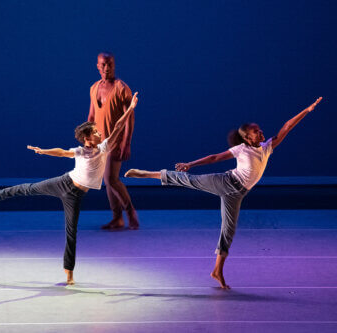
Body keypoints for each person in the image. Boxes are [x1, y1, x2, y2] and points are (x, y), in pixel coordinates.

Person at [125, 97, 323, 289]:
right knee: (191, 180)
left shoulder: (266, 147)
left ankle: (217, 271)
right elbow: (214, 157)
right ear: (247, 138)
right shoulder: (241, 149)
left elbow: (286, 126)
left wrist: (307, 110)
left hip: (237, 194)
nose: (260, 132)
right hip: (226, 182)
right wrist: (190, 164)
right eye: (255, 131)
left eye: (259, 129)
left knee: (228, 230)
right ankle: (148, 174)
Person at [0, 93, 139, 285]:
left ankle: (69, 274)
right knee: (27, 189)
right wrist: (43, 151)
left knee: (71, 233)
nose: (100, 134)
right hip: (64, 183)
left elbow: (118, 127)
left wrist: (130, 109)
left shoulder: (103, 148)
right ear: (87, 137)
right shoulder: (81, 151)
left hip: (75, 196)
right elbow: (63, 152)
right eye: (96, 132)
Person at [88, 52, 139, 230]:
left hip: (115, 141)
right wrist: (88, 140)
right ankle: (117, 218)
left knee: (111, 179)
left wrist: (126, 143)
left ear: (114, 65)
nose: (106, 68)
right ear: (97, 66)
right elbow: (92, 115)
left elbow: (129, 118)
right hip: (100, 144)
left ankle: (130, 211)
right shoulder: (94, 88)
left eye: (109, 64)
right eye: (103, 65)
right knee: (108, 180)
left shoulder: (121, 88)